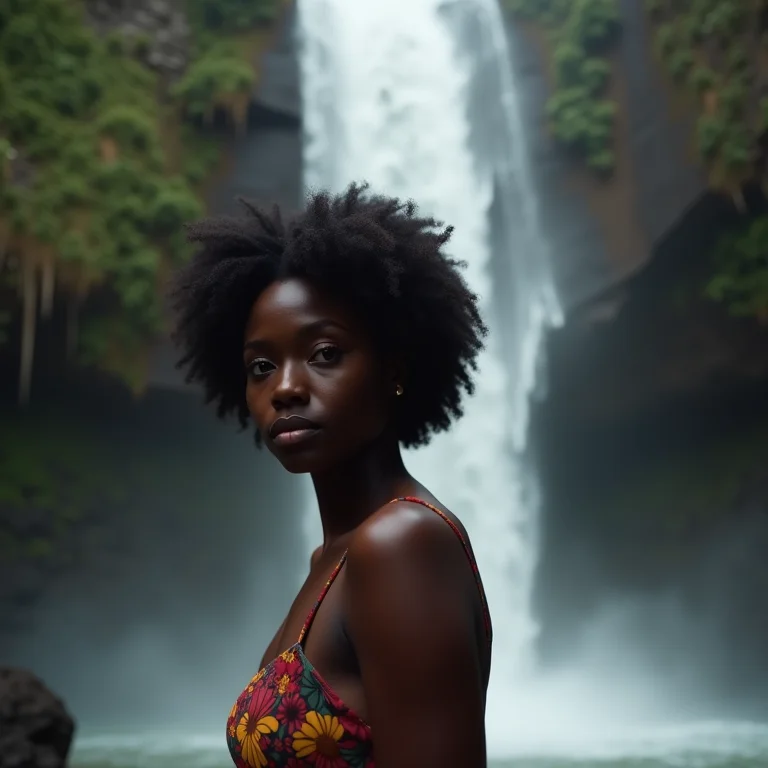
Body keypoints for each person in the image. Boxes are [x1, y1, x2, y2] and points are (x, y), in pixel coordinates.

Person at [172, 182, 493, 768]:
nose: (286, 387)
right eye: (262, 367)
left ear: (393, 369)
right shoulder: (336, 558)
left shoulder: (399, 545)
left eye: (324, 353)